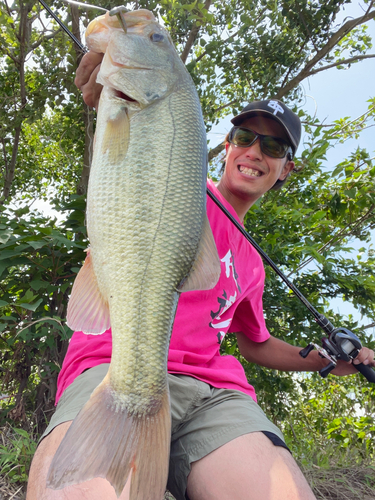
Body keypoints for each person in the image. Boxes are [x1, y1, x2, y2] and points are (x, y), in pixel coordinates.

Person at [27, 52, 375, 500]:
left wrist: (326, 361)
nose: (254, 152)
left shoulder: (252, 262)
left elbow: (255, 343)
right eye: (245, 137)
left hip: (211, 392)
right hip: (116, 368)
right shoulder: (180, 190)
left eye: (272, 147)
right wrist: (114, 97)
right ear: (227, 147)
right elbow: (139, 158)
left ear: (287, 169)